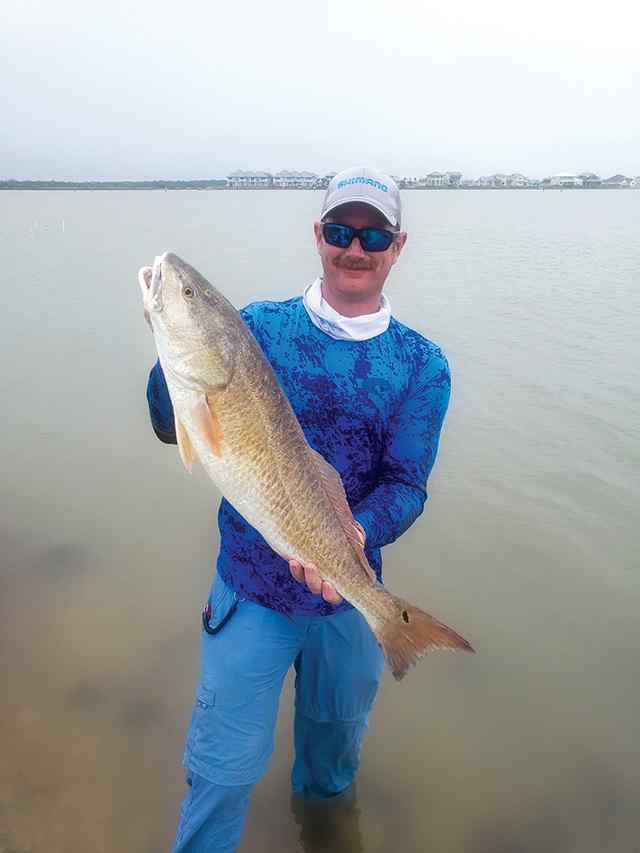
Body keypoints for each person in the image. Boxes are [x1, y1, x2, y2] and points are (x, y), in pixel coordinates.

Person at [145, 166, 452, 852]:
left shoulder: (423, 365)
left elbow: (408, 484)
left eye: (373, 235)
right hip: (250, 589)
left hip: (348, 598)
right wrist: (169, 346)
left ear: (398, 246)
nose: (355, 248)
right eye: (341, 230)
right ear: (318, 235)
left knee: (331, 774)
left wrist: (355, 530)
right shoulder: (255, 327)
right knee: (220, 773)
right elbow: (174, 425)